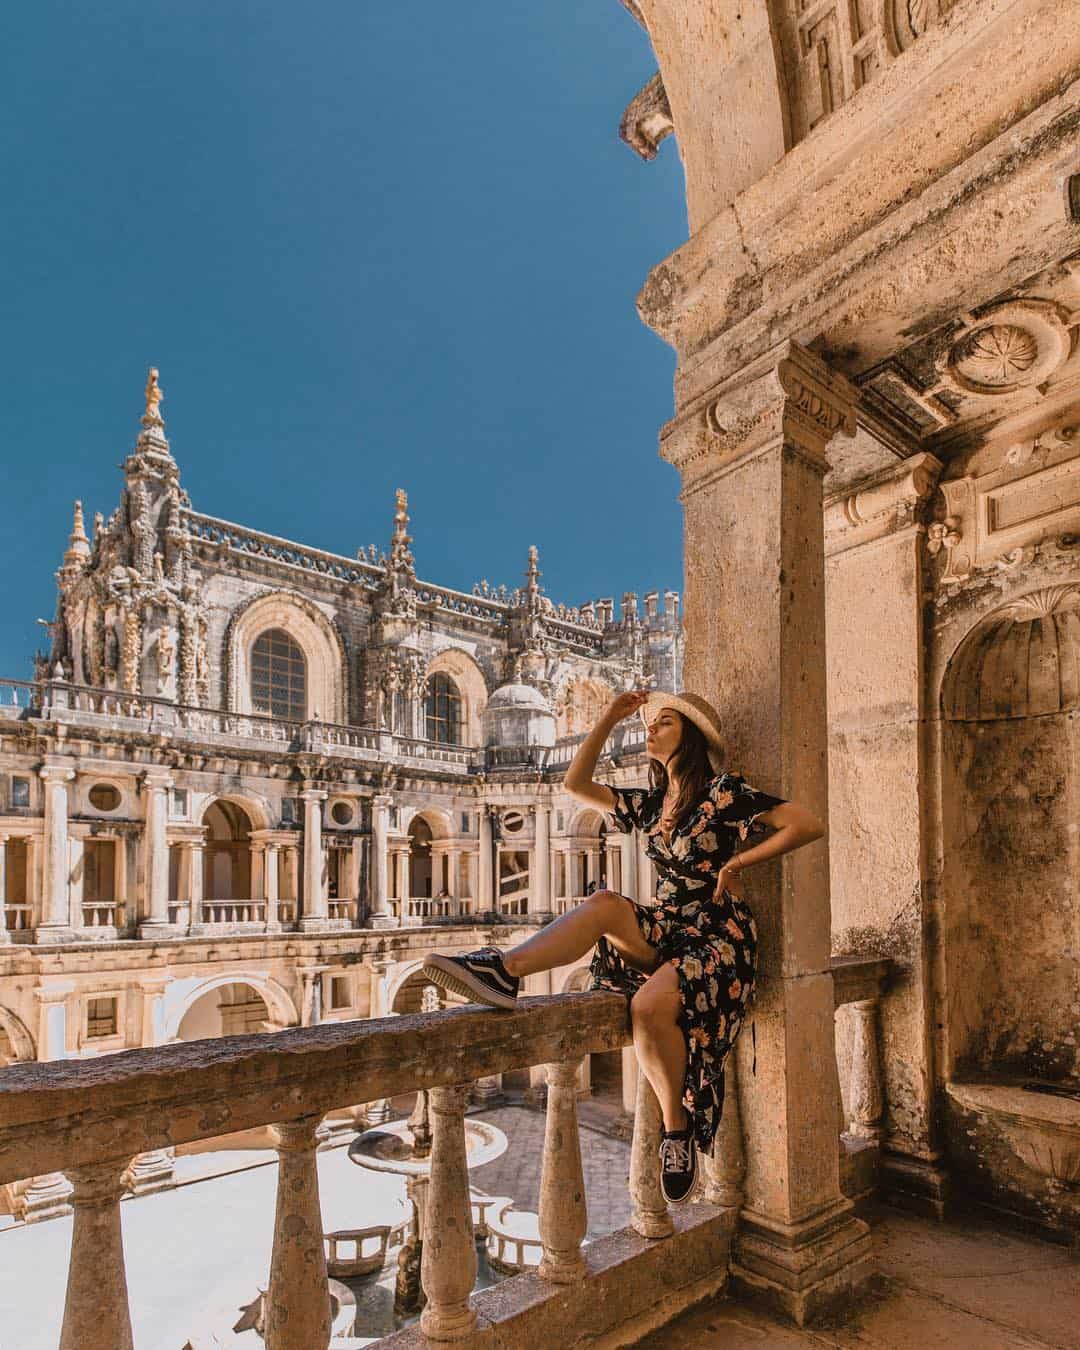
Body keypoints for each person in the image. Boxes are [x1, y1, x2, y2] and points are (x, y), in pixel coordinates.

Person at [422, 688, 826, 1204]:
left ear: (692, 738)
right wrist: (611, 716)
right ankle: (504, 970)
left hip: (718, 935)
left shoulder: (724, 793)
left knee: (648, 1006)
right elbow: (576, 783)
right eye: (651, 724)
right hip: (668, 926)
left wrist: (738, 863)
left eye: (664, 724)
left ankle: (675, 1132)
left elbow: (806, 824)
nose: (652, 731)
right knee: (606, 903)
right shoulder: (654, 804)